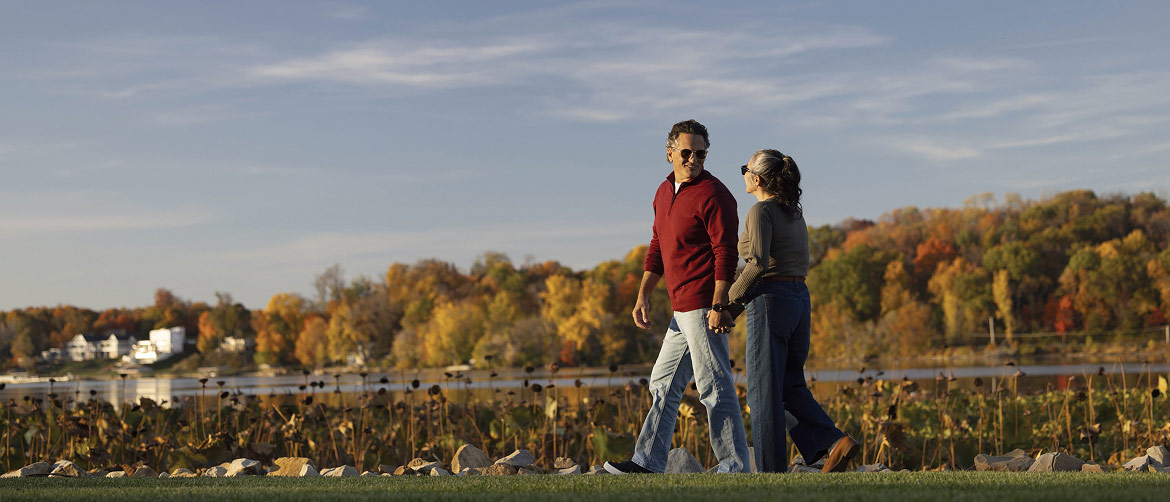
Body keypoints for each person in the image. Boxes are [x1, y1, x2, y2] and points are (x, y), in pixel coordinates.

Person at [604, 120, 751, 474]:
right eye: (686, 152)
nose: (693, 159)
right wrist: (643, 294)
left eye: (700, 153)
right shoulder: (662, 191)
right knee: (662, 385)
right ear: (670, 153)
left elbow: (726, 254)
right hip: (679, 307)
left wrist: (720, 304)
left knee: (714, 385)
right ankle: (648, 462)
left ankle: (734, 466)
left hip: (703, 304)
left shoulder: (715, 195)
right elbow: (657, 245)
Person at [712, 149, 858, 473]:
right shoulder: (794, 213)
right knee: (789, 386)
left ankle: (770, 474)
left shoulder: (761, 212)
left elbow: (758, 265)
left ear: (757, 178)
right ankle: (835, 443)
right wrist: (735, 308)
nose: (744, 176)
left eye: (745, 170)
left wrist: (725, 305)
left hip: (771, 301)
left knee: (762, 394)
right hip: (800, 299)